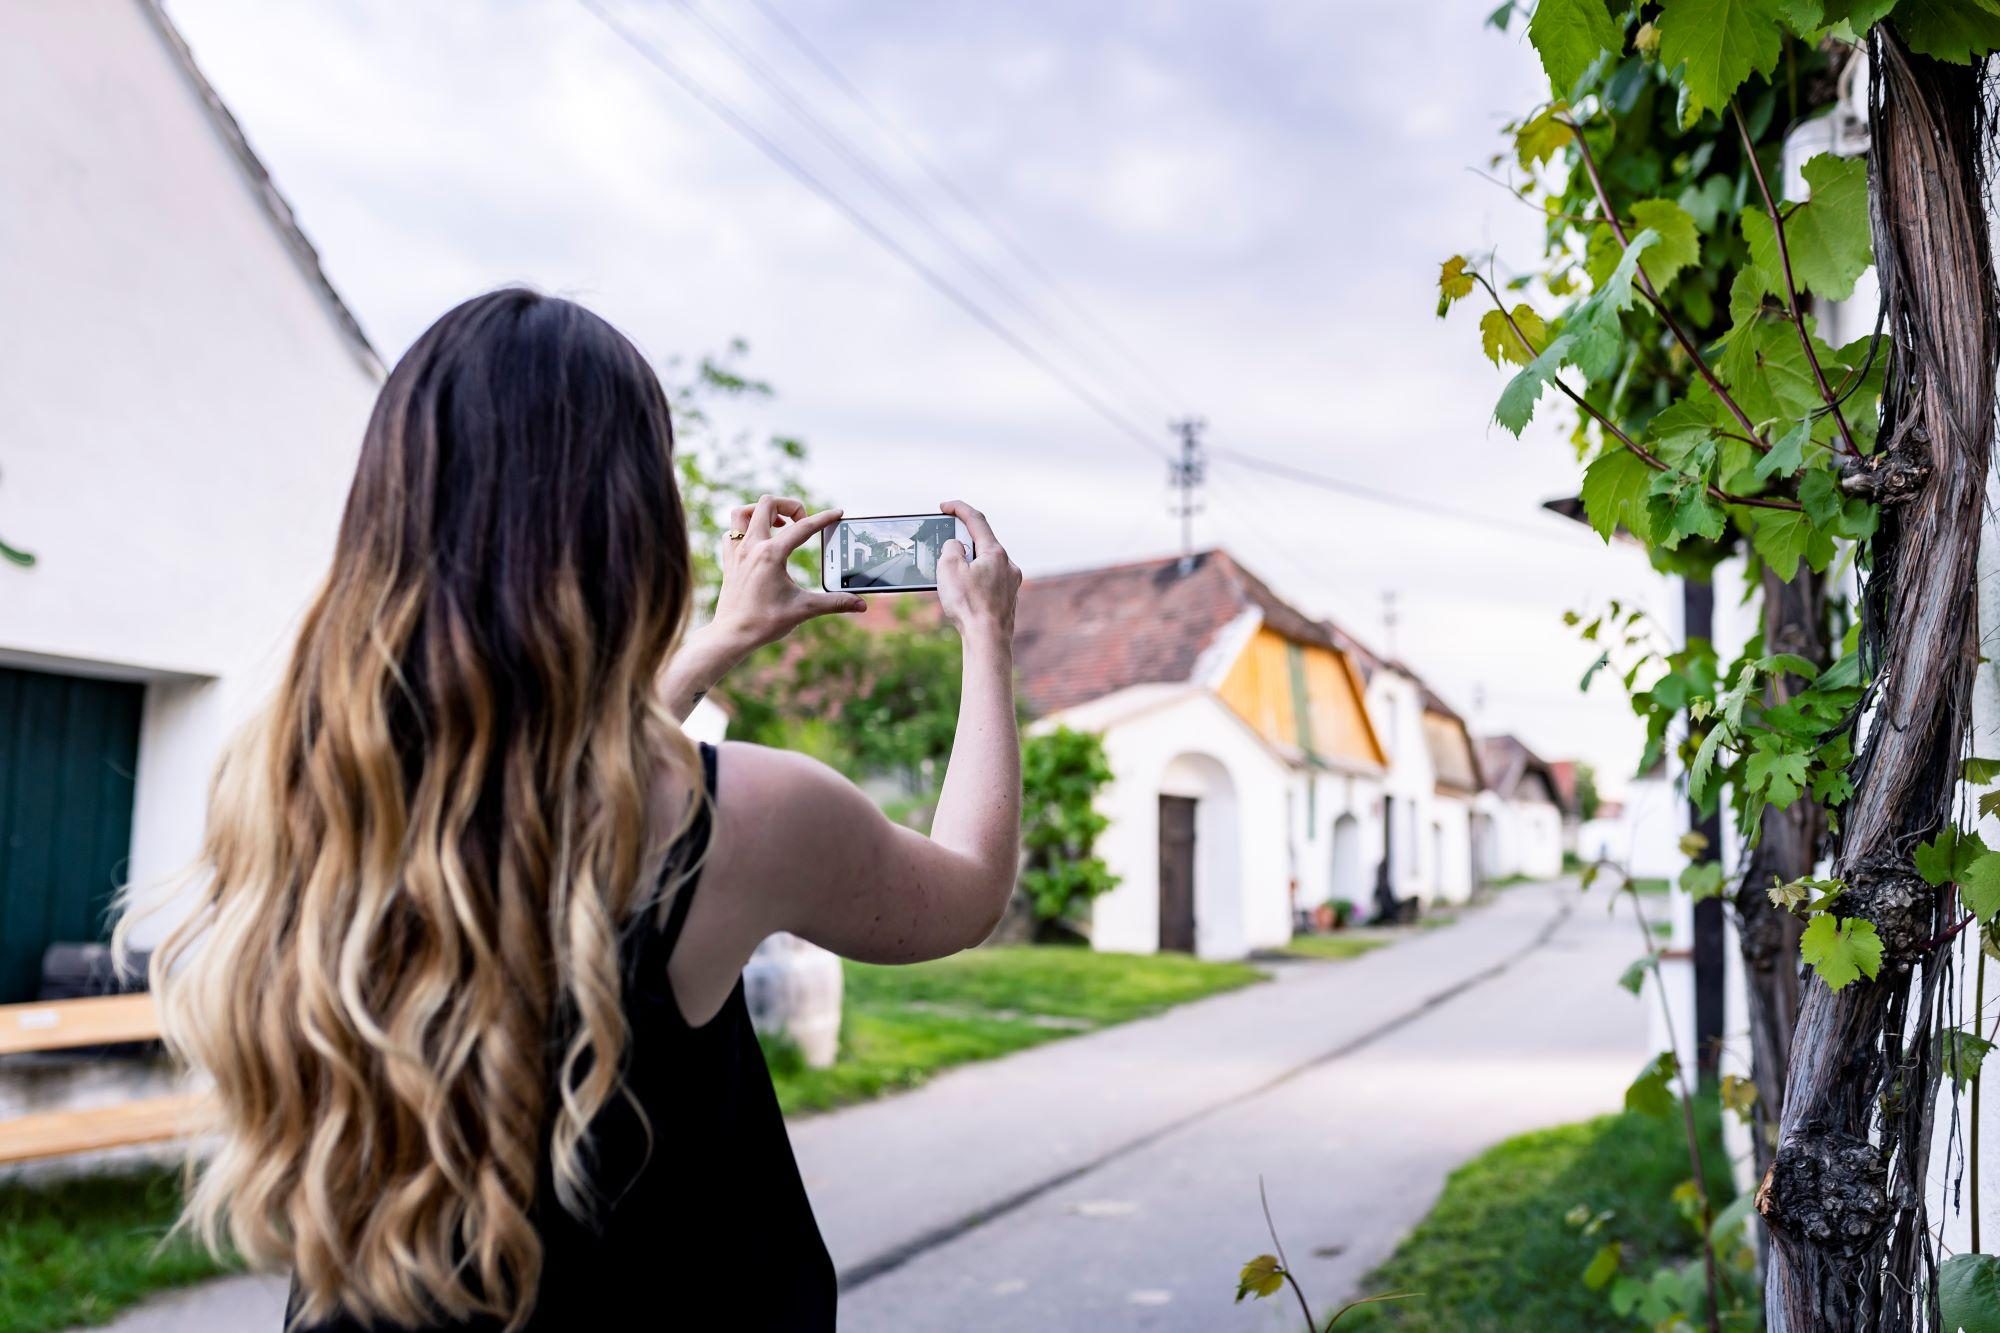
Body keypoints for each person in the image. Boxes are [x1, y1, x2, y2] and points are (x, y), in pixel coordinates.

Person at [131, 288, 1023, 1331]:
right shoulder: (746, 813)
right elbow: (962, 890)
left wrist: (717, 645)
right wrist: (984, 637)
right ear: (630, 520)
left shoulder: (300, 778)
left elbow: (546, 784)